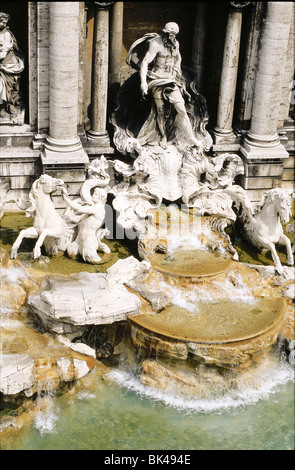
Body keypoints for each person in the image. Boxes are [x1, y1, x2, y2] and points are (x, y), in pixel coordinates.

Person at [135, 22, 202, 148]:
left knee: (181, 109)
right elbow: (144, 63)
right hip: (157, 80)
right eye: (169, 34)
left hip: (171, 80)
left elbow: (177, 64)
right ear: (164, 32)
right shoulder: (155, 44)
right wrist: (143, 82)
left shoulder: (176, 44)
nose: (171, 37)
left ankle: (192, 137)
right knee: (160, 111)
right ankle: (163, 136)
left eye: (174, 34)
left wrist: (180, 80)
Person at [62, 186, 110, 264]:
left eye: (95, 194)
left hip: (88, 240)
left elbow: (80, 209)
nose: (92, 196)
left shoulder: (98, 209)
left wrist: (66, 199)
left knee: (95, 262)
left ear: (101, 197)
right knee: (71, 252)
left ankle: (107, 254)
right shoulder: (93, 207)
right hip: (79, 239)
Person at [0, 12, 24, 120]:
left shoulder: (6, 34)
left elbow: (3, 53)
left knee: (9, 87)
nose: (3, 25)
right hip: (3, 66)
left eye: (5, 23)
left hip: (9, 65)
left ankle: (8, 107)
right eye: (2, 22)